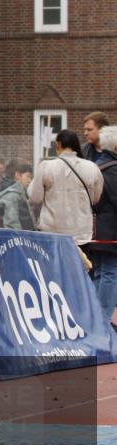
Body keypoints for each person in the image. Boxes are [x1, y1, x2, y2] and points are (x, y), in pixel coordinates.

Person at [28, 130, 103, 244]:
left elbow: (35, 198)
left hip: (52, 233)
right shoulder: (92, 167)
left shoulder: (46, 166)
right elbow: (95, 199)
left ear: (58, 144)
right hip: (82, 234)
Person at [84, 126, 117, 327]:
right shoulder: (113, 170)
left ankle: (95, 319)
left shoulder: (95, 166)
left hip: (95, 227)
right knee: (110, 273)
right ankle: (102, 321)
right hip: (111, 229)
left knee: (99, 272)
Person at [0, 160, 35, 230]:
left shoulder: (16, 192)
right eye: (28, 176)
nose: (30, 180)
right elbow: (12, 225)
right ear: (17, 175)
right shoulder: (12, 196)